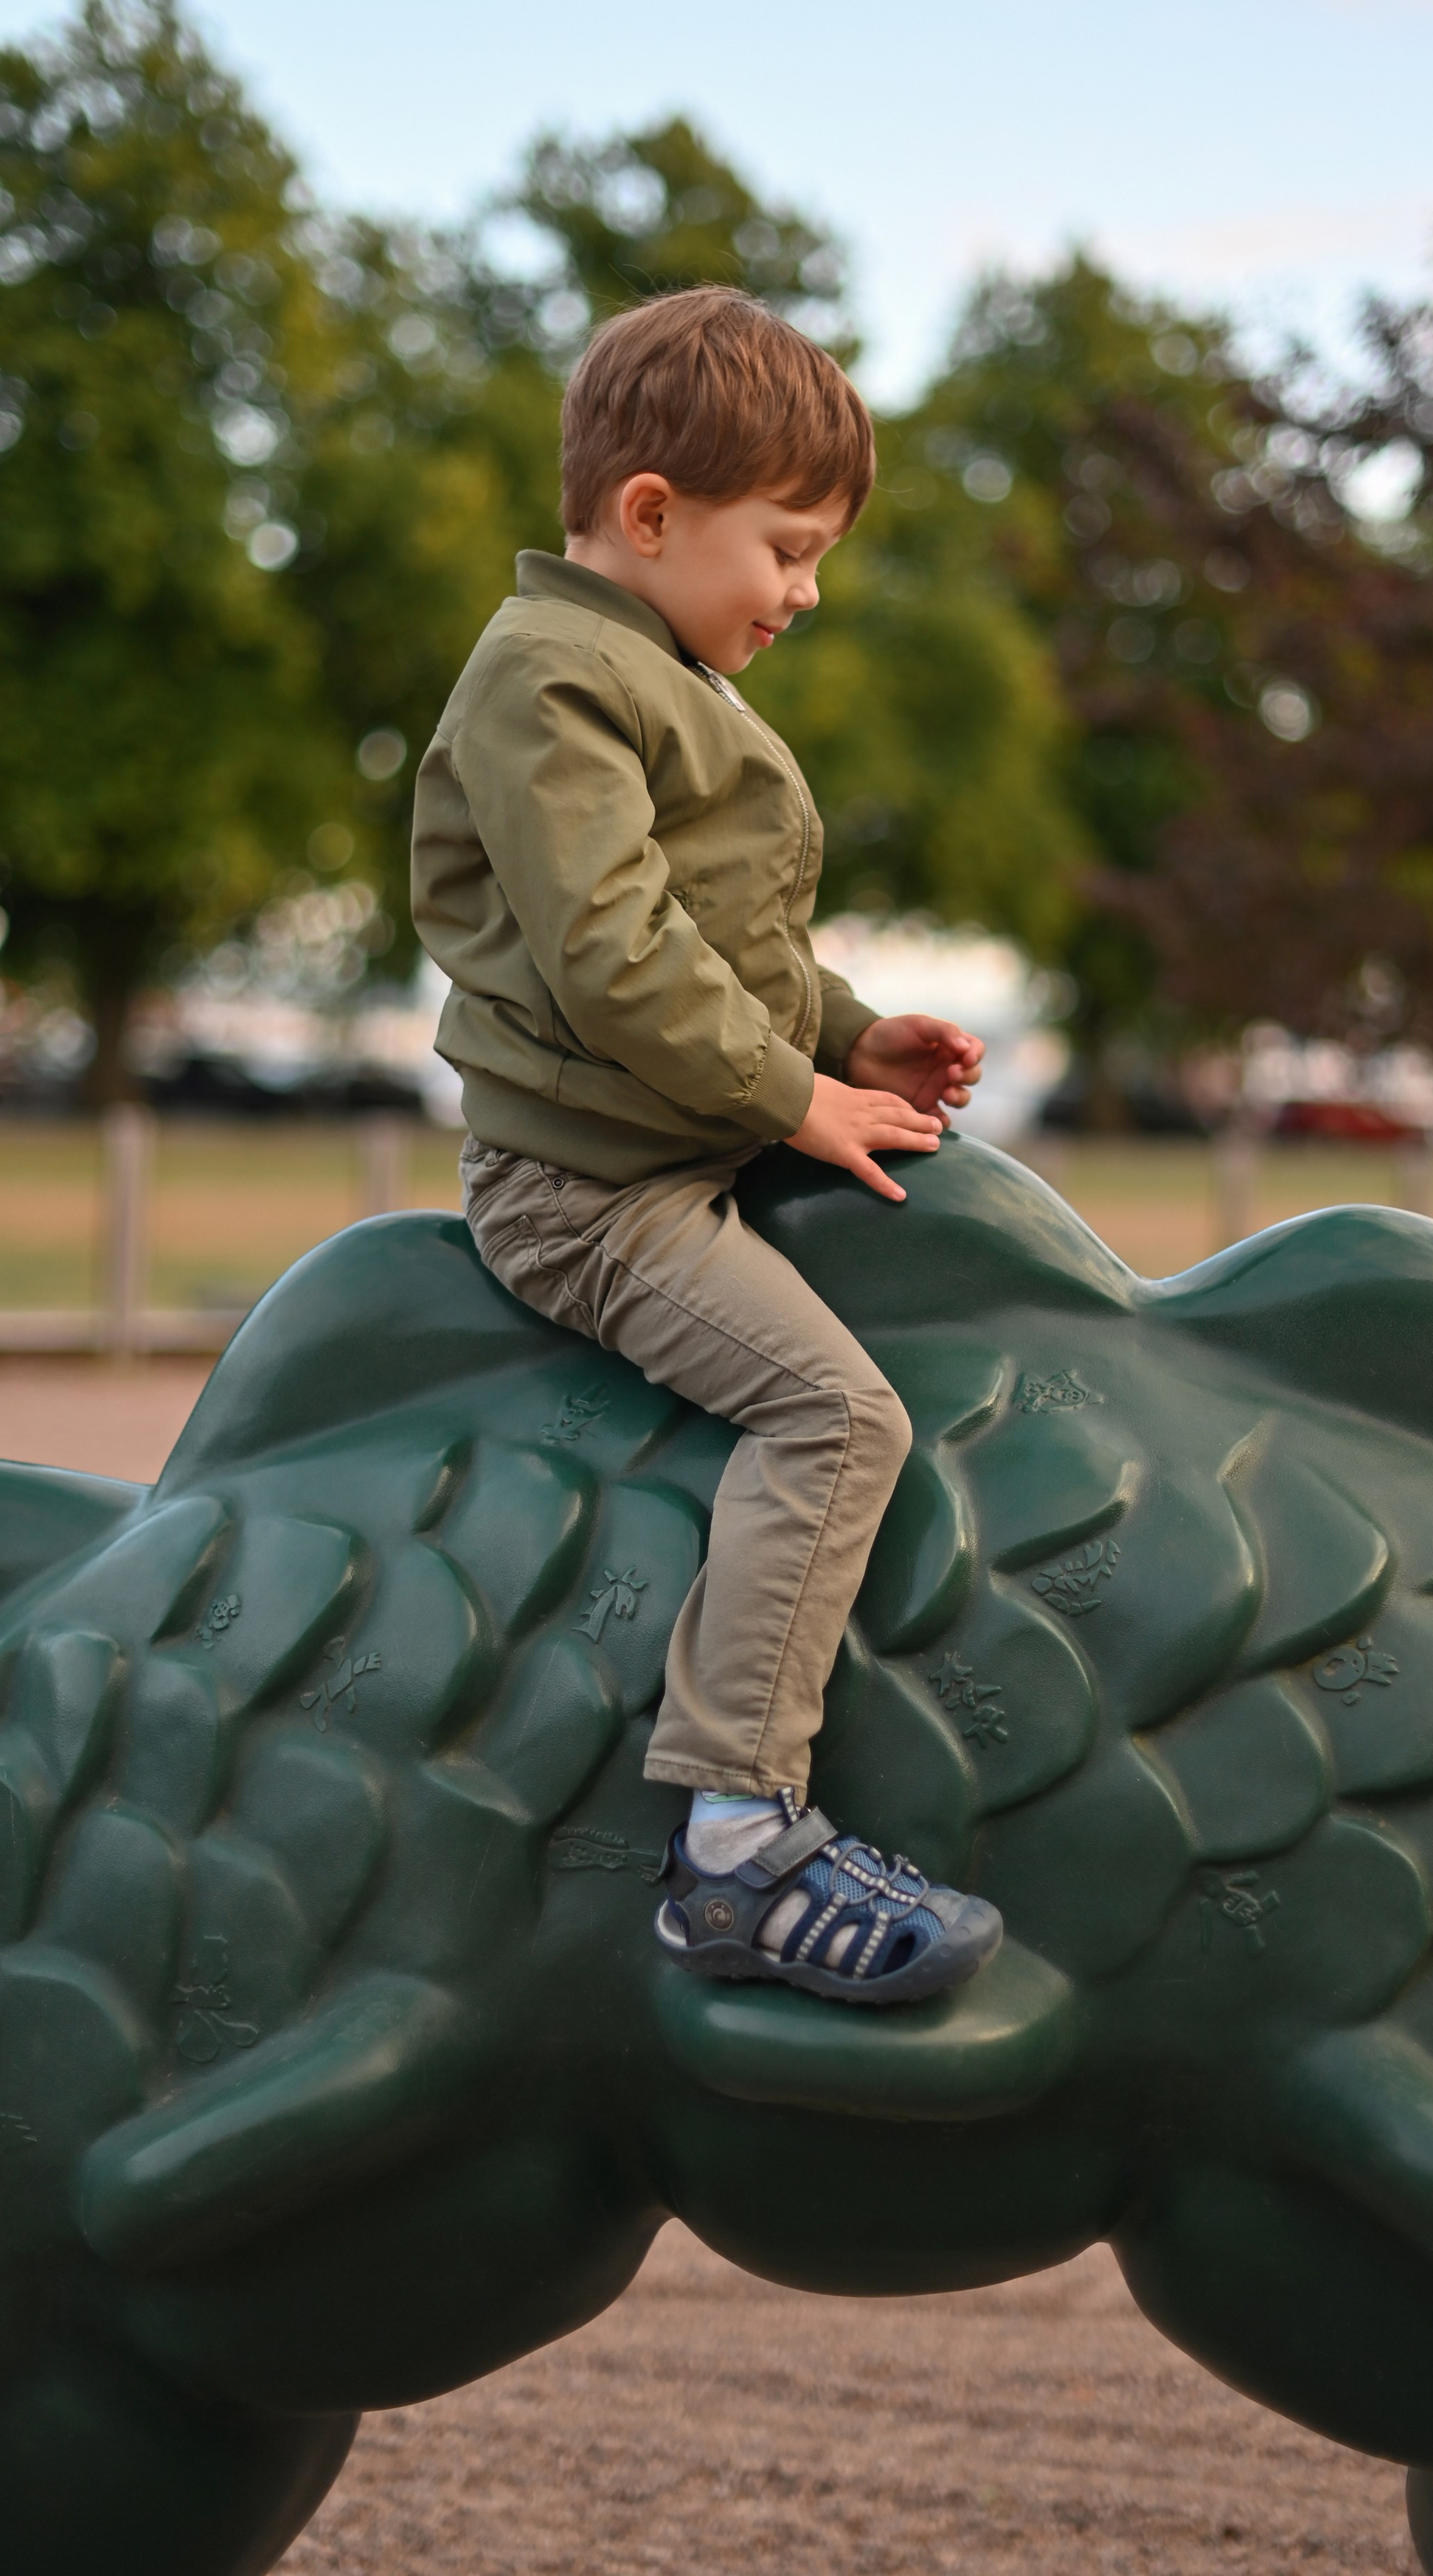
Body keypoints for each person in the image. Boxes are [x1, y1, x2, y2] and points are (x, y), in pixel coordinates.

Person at [412, 285, 1004, 2007]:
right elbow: (615, 959)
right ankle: (737, 1841)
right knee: (836, 1413)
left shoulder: (641, 672)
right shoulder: (549, 680)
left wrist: (843, 1033)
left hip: (678, 1129)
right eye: (789, 547)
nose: (806, 591)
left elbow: (717, 939)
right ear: (652, 515)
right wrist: (791, 1097)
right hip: (593, 1190)